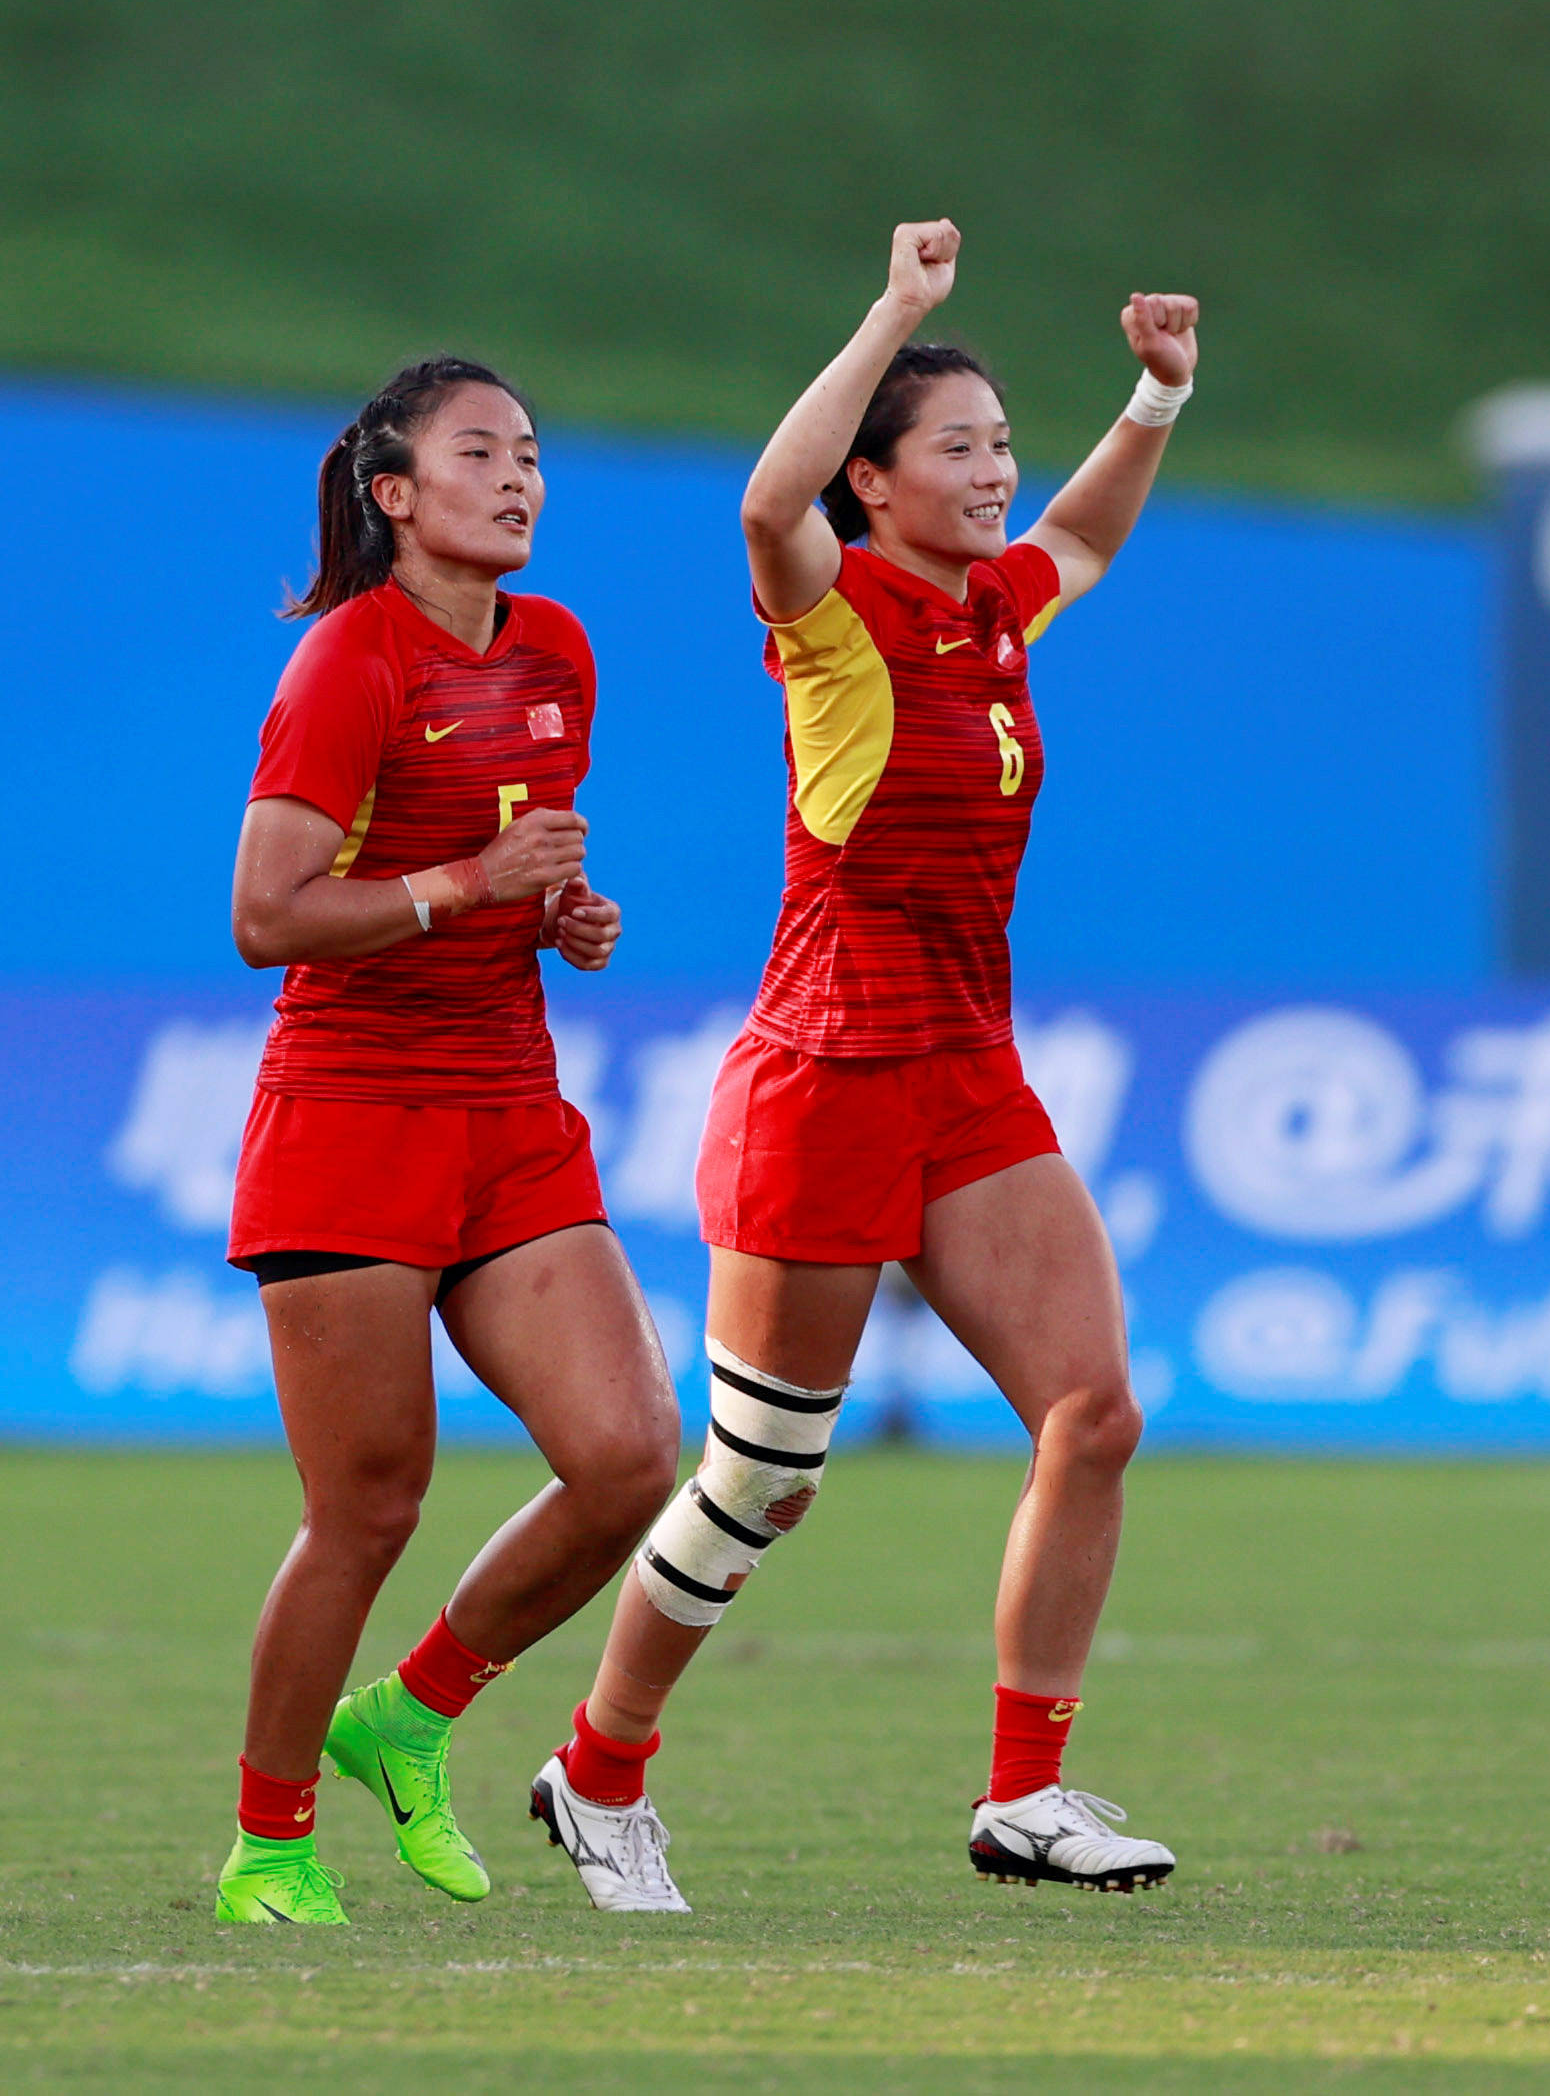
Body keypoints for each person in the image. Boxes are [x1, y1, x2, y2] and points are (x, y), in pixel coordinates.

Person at [538, 223, 1201, 1912]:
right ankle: (597, 1771)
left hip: (966, 1073)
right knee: (761, 1480)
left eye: (998, 440)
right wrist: (895, 309)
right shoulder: (833, 619)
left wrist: (1150, 399)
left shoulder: (994, 606)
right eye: (958, 448)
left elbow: (1077, 537)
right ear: (876, 484)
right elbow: (765, 511)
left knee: (1094, 1411)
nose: (995, 472)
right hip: (821, 1079)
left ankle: (1025, 1793)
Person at [212, 357, 670, 1930]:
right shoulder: (349, 663)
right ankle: (267, 1844)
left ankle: (407, 1712)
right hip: (346, 1119)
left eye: (532, 452)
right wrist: (471, 885)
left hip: (507, 1111)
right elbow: (264, 913)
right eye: (480, 452)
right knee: (368, 1509)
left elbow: (508, 871)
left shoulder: (554, 648)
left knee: (626, 1460)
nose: (520, 476)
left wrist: (559, 912)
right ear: (395, 496)